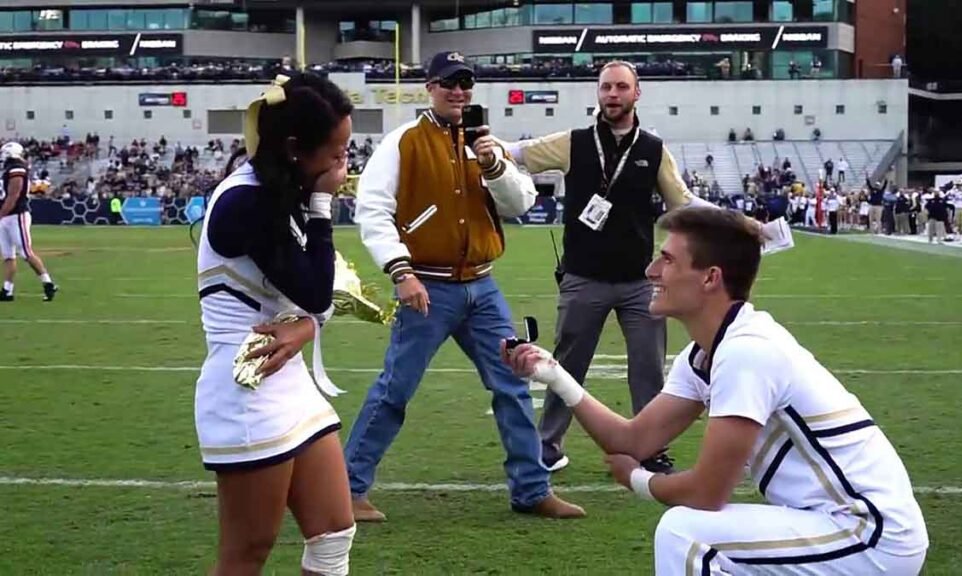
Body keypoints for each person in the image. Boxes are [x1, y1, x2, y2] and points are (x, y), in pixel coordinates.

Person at [504, 207, 929, 575]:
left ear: (710, 278)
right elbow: (632, 439)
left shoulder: (748, 352)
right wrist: (555, 374)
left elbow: (707, 493)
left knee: (685, 533)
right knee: (701, 538)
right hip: (828, 524)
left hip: (869, 534)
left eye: (667, 260)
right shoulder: (706, 353)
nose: (651, 271)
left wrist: (638, 479)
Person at [347, 51, 585, 522]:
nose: (459, 91)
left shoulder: (486, 144)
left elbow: (521, 203)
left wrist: (494, 166)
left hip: (481, 284)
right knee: (395, 390)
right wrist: (401, 271)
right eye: (450, 82)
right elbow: (372, 209)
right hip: (427, 287)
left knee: (514, 385)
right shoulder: (403, 143)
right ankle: (348, 489)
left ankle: (531, 489)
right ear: (430, 86)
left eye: (466, 83)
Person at [507, 60, 718, 473]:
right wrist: (478, 146)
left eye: (622, 87)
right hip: (583, 277)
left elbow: (683, 202)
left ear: (637, 94)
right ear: (598, 93)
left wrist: (737, 223)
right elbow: (517, 153)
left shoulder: (653, 150)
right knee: (564, 368)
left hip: (641, 281)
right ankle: (547, 446)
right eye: (606, 88)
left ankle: (649, 448)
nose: (613, 95)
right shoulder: (574, 142)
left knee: (648, 371)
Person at [194, 72, 357, 575]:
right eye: (333, 153)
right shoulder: (246, 202)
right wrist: (325, 203)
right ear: (292, 148)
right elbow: (315, 291)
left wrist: (308, 326)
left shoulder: (280, 190)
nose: (341, 165)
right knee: (246, 555)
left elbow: (327, 293)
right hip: (248, 384)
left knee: (333, 535)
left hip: (289, 378)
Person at [0, 141, 57, 302]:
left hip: (16, 215)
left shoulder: (17, 169)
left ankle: (48, 283)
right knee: (8, 256)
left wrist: (1, 213)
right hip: (6, 216)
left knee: (25, 252)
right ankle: (7, 290)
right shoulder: (10, 169)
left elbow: (13, 195)